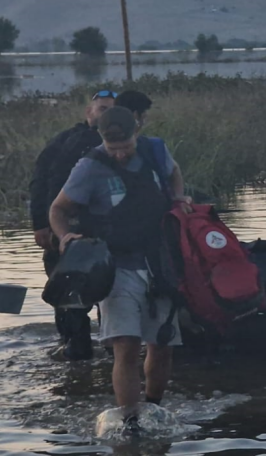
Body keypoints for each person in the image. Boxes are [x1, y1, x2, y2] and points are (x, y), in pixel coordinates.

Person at [49, 107, 192, 436]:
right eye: (112, 148)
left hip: (159, 262)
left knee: (162, 344)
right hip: (115, 267)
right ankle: (130, 422)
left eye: (125, 146)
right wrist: (64, 235)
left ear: (136, 133)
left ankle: (153, 407)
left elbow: (174, 173)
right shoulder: (89, 167)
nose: (120, 153)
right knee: (125, 345)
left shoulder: (155, 150)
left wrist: (178, 196)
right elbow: (59, 208)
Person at [30, 89, 117, 360]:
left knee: (109, 292)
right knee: (69, 295)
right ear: (88, 113)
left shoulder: (124, 145)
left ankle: (107, 346)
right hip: (67, 230)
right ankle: (75, 348)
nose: (107, 115)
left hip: (106, 233)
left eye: (113, 110)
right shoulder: (66, 142)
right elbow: (41, 181)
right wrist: (41, 224)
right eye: (102, 109)